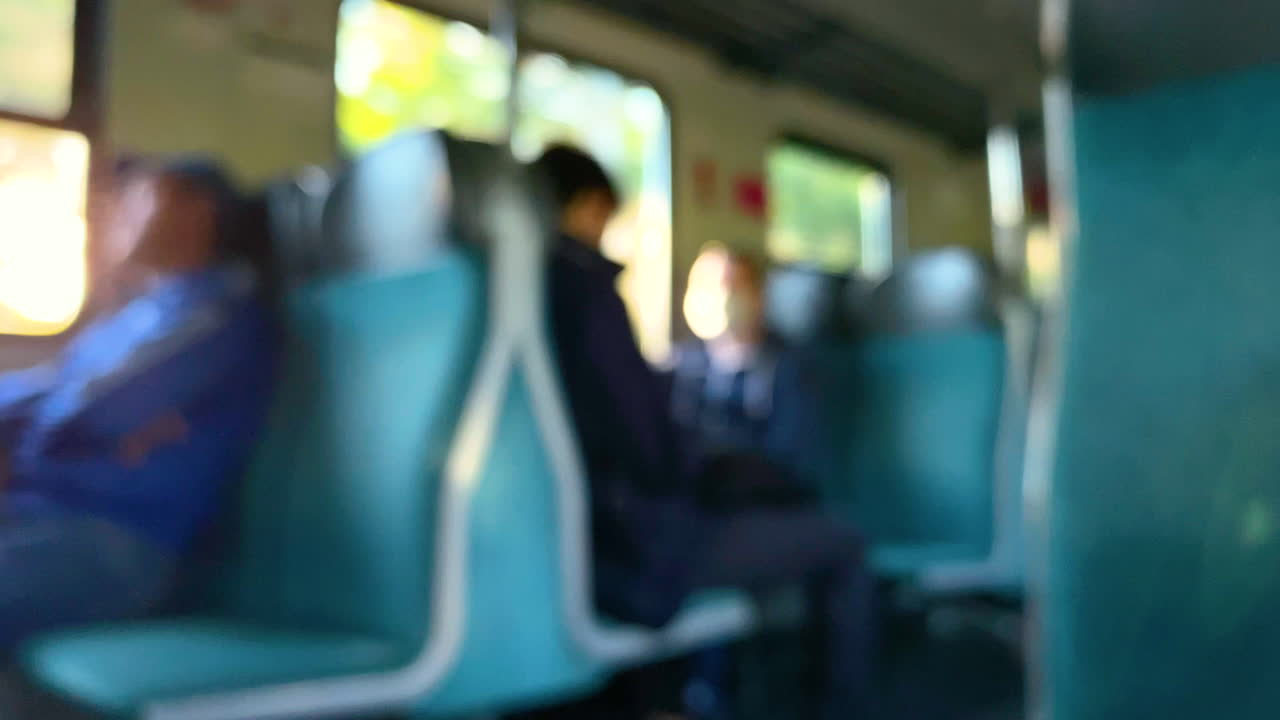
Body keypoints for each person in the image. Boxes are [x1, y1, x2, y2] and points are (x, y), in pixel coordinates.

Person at [536, 145, 875, 720]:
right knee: (843, 543)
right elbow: (655, 453)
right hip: (644, 534)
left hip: (631, 522)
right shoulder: (622, 322)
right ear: (591, 206)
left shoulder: (788, 371)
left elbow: (790, 462)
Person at [0, 157, 276, 653]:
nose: (122, 210)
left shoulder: (215, 312)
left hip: (114, 541)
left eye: (144, 195)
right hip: (41, 510)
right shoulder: (138, 314)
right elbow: (53, 390)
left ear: (197, 210)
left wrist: (26, 446)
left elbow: (91, 409)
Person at [672, 244, 828, 506]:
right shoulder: (681, 366)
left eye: (730, 285)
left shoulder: (792, 368)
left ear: (759, 295)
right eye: (704, 286)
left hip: (766, 505)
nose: (718, 296)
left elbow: (793, 461)